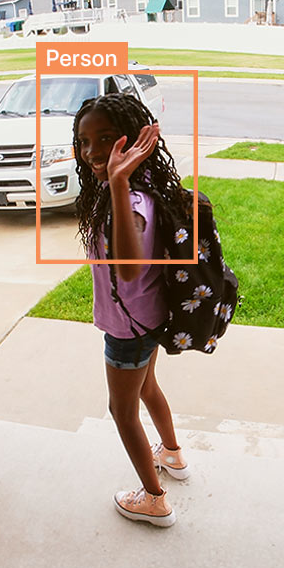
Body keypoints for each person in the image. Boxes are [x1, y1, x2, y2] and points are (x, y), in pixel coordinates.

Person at [72, 93, 192, 528]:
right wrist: (117, 182)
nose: (92, 153)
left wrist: (119, 183)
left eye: (105, 138)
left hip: (127, 329)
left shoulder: (131, 199)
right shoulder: (135, 190)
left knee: (122, 412)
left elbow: (127, 269)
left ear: (132, 137)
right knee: (147, 387)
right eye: (85, 142)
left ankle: (154, 500)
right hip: (148, 317)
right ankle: (172, 455)